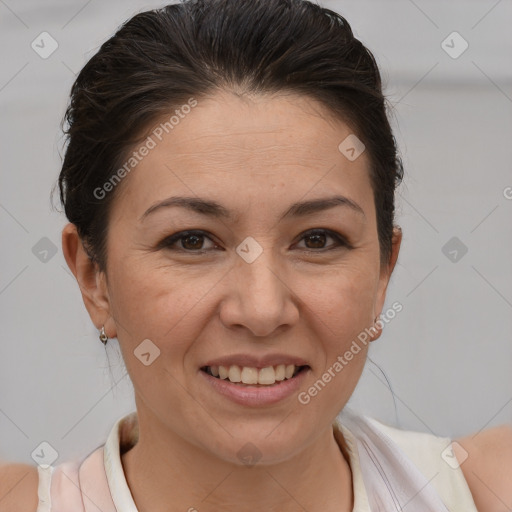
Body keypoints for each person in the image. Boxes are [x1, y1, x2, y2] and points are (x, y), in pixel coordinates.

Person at [1, 0, 511, 511]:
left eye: (317, 239)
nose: (263, 310)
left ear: (383, 272)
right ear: (95, 278)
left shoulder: (489, 489)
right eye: (192, 241)